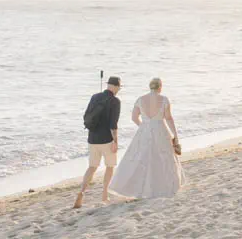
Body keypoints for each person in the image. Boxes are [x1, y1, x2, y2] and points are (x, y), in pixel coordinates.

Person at [106, 76, 182, 201]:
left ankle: (138, 189)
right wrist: (175, 135)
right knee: (162, 158)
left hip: (145, 130)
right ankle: (164, 187)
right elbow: (168, 118)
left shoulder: (140, 99)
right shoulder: (164, 99)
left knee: (141, 158)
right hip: (161, 130)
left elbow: (134, 117)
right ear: (160, 87)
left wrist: (144, 126)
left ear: (150, 87)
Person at [72, 76, 122, 209]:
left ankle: (81, 192)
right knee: (110, 166)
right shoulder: (115, 101)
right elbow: (113, 125)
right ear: (115, 87)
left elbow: (86, 116)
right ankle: (105, 195)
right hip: (106, 140)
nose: (119, 90)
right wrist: (115, 141)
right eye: (119, 87)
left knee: (92, 167)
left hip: (92, 139)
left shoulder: (94, 97)